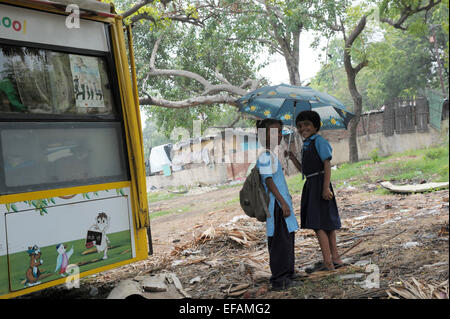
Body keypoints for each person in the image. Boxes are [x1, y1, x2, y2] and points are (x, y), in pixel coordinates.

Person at [286, 110, 343, 271]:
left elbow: (326, 164)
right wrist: (292, 158)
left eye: (307, 125)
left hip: (320, 184)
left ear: (316, 125)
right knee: (325, 223)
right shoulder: (307, 144)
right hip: (311, 184)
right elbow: (304, 170)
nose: (303, 128)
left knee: (320, 225)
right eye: (299, 126)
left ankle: (329, 261)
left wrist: (325, 188)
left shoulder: (319, 141)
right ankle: (335, 259)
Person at [256, 118, 299, 290]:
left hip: (281, 204)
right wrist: (283, 203)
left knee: (287, 239)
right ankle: (279, 279)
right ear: (263, 135)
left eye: (280, 131)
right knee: (280, 242)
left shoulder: (271, 155)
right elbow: (269, 182)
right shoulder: (265, 156)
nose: (279, 135)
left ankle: (288, 275)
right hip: (276, 206)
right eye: (274, 132)